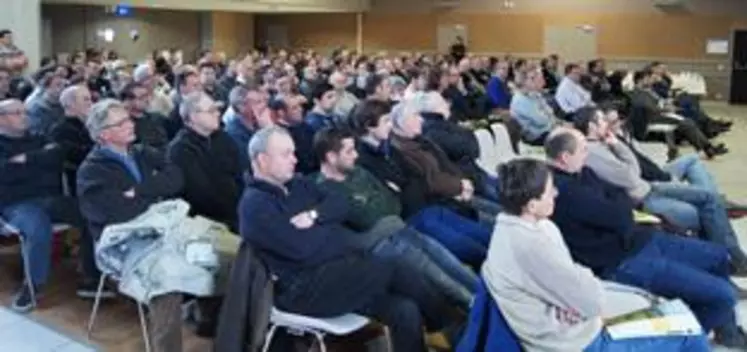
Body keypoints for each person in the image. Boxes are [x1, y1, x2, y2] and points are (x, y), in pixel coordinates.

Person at [239, 126, 451, 352]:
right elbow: (301, 249)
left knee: (405, 309)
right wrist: (329, 226)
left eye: (293, 152)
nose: (294, 159)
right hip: (304, 291)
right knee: (394, 265)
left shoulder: (296, 184)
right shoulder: (255, 206)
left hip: (338, 273)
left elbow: (340, 202)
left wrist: (315, 216)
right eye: (286, 154)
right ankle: (450, 327)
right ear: (262, 160)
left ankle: (442, 328)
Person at [544, 127, 747, 349]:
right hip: (621, 262)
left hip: (640, 239)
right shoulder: (563, 191)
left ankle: (726, 332)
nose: (588, 152)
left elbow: (621, 197)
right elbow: (619, 213)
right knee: (724, 296)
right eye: (583, 149)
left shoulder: (583, 172)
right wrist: (620, 208)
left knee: (718, 255)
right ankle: (684, 341)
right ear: (565, 157)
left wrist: (620, 208)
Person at [484, 157, 711, 351]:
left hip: (572, 317)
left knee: (656, 302)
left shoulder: (524, 225)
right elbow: (589, 301)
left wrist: (573, 297)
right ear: (531, 205)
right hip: (573, 342)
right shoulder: (528, 245)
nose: (556, 193)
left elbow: (574, 284)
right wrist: (575, 297)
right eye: (549, 190)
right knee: (690, 333)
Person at [314, 127, 477, 309]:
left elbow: (393, 201)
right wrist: (377, 205)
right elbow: (363, 219)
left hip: (401, 228)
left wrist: (373, 205)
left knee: (453, 264)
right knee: (444, 280)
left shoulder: (359, 172)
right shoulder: (325, 189)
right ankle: (479, 311)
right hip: (383, 245)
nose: (356, 155)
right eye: (349, 151)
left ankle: (490, 299)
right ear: (331, 157)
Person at [573, 106, 747, 271]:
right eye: (602, 120)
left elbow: (633, 170)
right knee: (703, 211)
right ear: (591, 126)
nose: (608, 124)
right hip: (642, 199)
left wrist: (617, 146)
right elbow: (631, 175)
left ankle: (731, 256)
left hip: (648, 188)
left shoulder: (603, 143)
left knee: (710, 198)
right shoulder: (594, 152)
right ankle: (729, 259)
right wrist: (618, 147)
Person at [77, 99, 185, 352]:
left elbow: (177, 178)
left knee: (213, 253)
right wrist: (152, 197)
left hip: (156, 227)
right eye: (122, 122)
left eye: (128, 118)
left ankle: (206, 318)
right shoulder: (91, 171)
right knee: (167, 282)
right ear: (104, 135)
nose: (131, 124)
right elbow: (113, 213)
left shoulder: (141, 152)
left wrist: (138, 190)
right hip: (119, 242)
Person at [352, 99, 493, 265]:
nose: (390, 125)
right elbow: (393, 197)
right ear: (369, 126)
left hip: (431, 206)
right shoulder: (364, 160)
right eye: (386, 121)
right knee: (473, 250)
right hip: (413, 217)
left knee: (487, 236)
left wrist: (403, 186)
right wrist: (405, 186)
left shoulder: (389, 148)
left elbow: (416, 179)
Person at [0, 99, 104, 312]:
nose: (24, 116)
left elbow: (57, 154)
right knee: (38, 227)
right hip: (16, 204)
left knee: (92, 213)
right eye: (17, 113)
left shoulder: (38, 136)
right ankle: (33, 287)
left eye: (24, 111)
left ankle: (91, 277)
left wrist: (25, 160)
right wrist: (38, 161)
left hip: (51, 199)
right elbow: (5, 173)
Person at [167, 92, 242, 231]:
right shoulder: (180, 151)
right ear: (193, 117)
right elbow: (201, 196)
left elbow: (239, 173)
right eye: (211, 110)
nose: (218, 114)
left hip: (236, 210)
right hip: (209, 222)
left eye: (217, 109)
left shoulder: (222, 137)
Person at [50, 85, 94, 195]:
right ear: (70, 104)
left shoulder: (90, 125)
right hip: (81, 182)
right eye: (85, 99)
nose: (91, 103)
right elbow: (78, 157)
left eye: (90, 99)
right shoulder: (60, 130)